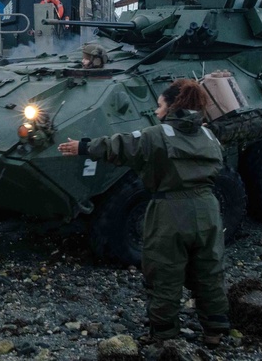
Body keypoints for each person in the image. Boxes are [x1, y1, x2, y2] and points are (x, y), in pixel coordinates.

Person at [57, 79, 230, 347]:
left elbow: (120, 146)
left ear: (173, 106)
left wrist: (82, 147)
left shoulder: (156, 135)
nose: (157, 111)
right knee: (209, 270)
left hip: (170, 210)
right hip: (208, 209)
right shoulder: (209, 136)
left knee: (164, 273)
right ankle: (215, 330)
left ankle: (164, 334)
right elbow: (219, 166)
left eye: (160, 106)